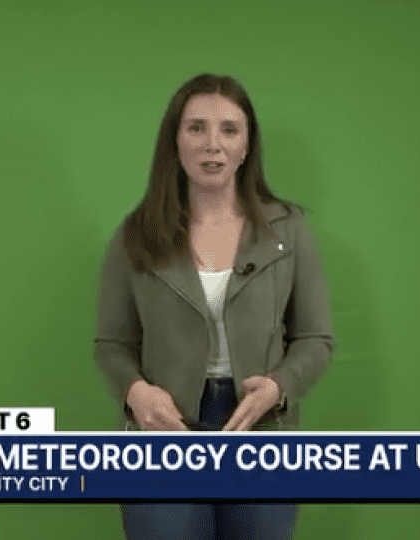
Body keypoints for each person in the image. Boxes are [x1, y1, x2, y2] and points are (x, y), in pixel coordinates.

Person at [93, 73, 336, 540]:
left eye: (229, 129)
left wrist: (279, 386)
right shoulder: (135, 235)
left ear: (247, 146)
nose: (213, 145)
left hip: (260, 431)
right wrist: (136, 393)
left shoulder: (290, 229)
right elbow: (111, 343)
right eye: (196, 128)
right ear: (175, 142)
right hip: (163, 431)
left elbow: (315, 337)